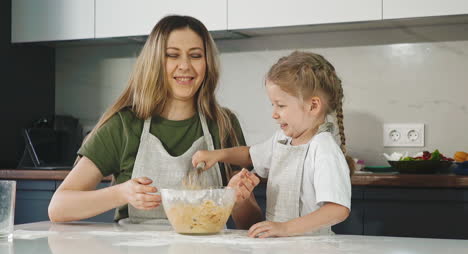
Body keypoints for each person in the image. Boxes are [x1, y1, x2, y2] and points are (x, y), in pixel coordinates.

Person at [48, 15, 261, 227]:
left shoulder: (224, 124)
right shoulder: (124, 125)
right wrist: (122, 193)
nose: (185, 66)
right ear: (155, 62)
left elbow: (250, 223)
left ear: (207, 63)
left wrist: (237, 199)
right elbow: (59, 207)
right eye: (172, 55)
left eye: (195, 55)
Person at [192, 51, 355, 237]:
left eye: (281, 105)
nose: (274, 114)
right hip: (280, 248)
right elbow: (250, 155)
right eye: (273, 105)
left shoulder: (324, 148)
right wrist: (218, 155)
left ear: (313, 106)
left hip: (312, 251)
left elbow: (338, 209)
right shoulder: (281, 140)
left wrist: (285, 228)